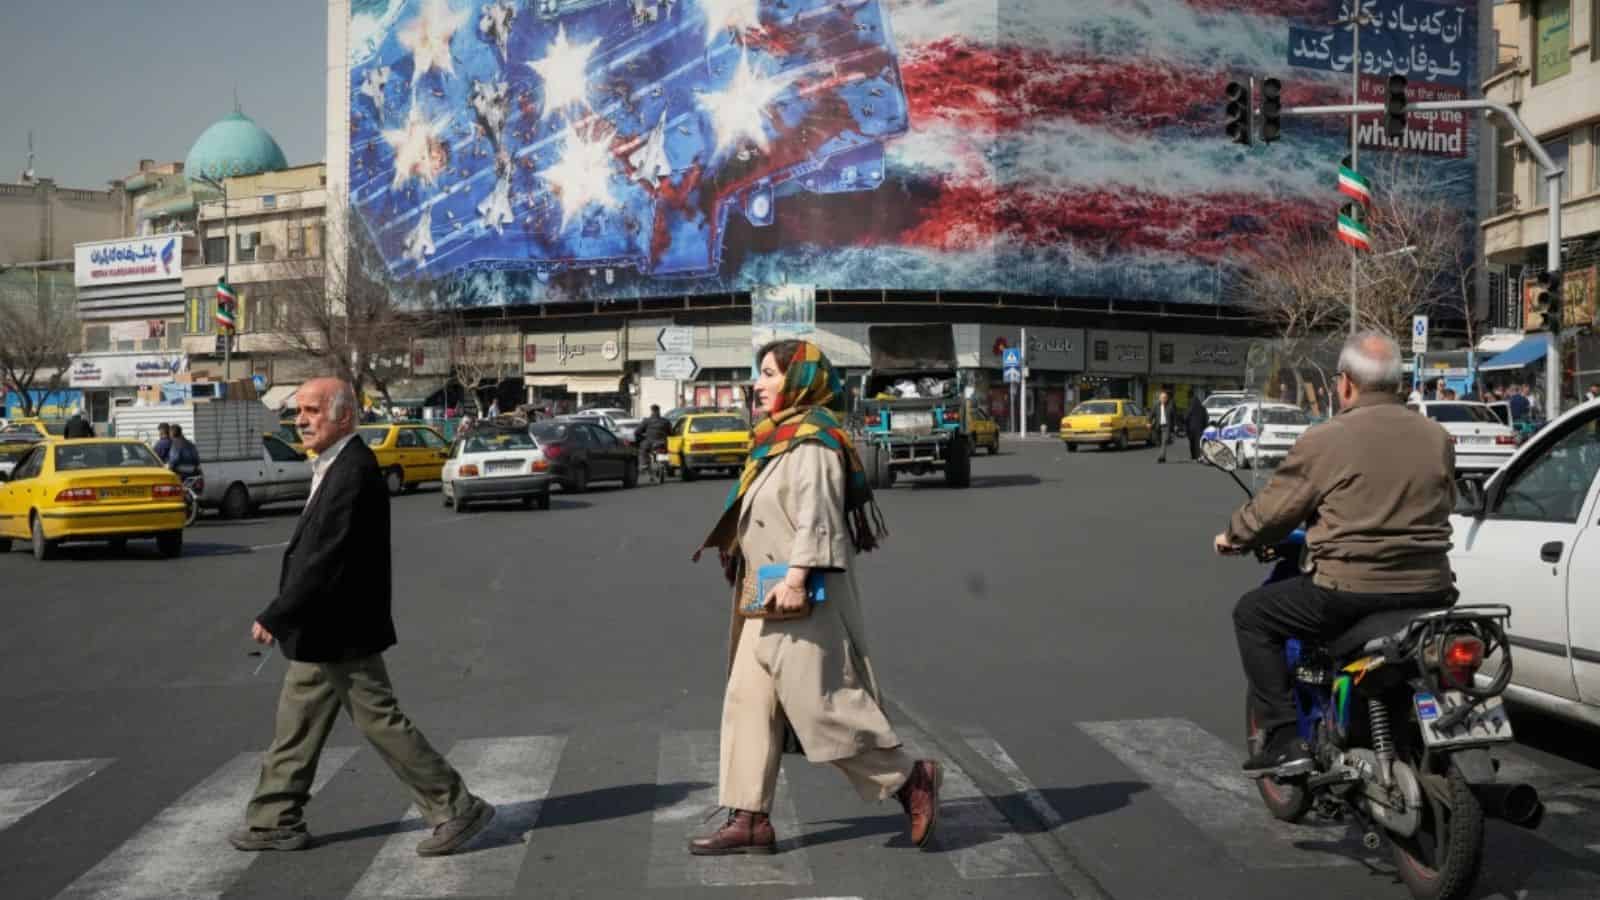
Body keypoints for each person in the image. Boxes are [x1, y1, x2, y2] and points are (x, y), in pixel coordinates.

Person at [690, 341, 940, 856]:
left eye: (769, 374)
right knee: (748, 700)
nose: (757, 384)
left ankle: (909, 778)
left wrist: (798, 577)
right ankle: (749, 816)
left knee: (819, 703)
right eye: (759, 373)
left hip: (801, 590)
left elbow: (818, 516)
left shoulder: (814, 441)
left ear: (800, 380)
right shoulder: (776, 439)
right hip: (765, 590)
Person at [230, 378, 494, 856]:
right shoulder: (334, 464)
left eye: (312, 411)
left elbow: (326, 556)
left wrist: (278, 612)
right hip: (320, 626)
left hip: (342, 626)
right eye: (298, 412)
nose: (301, 421)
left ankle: (456, 807)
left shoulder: (352, 470)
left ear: (345, 416)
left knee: (379, 721)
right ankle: (274, 818)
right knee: (297, 722)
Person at [1215, 332, 1456, 776]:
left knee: (1252, 614)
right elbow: (1445, 502)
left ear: (1345, 383)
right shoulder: (1437, 436)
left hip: (1349, 592)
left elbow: (1274, 512)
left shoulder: (1327, 438)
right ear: (1398, 382)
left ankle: (1284, 738)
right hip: (1432, 590)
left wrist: (1234, 534)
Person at [1153, 390, 1176, 463]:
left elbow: (1174, 417)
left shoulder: (1170, 406)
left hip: (1166, 427)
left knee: (1164, 441)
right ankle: (1163, 457)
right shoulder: (1156, 406)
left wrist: (1175, 425)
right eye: (1162, 398)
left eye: (1165, 398)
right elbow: (1151, 415)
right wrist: (1148, 422)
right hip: (1158, 426)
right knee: (1159, 442)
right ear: (1159, 398)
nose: (1163, 399)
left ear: (1167, 398)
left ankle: (1161, 457)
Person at [1185, 393, 1209, 460]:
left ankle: (1193, 455)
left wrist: (1185, 424)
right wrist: (1205, 426)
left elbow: (1186, 417)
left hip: (1191, 428)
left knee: (1192, 442)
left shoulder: (1190, 408)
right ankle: (1198, 455)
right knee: (1198, 442)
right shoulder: (1203, 408)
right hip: (1200, 427)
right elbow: (1206, 418)